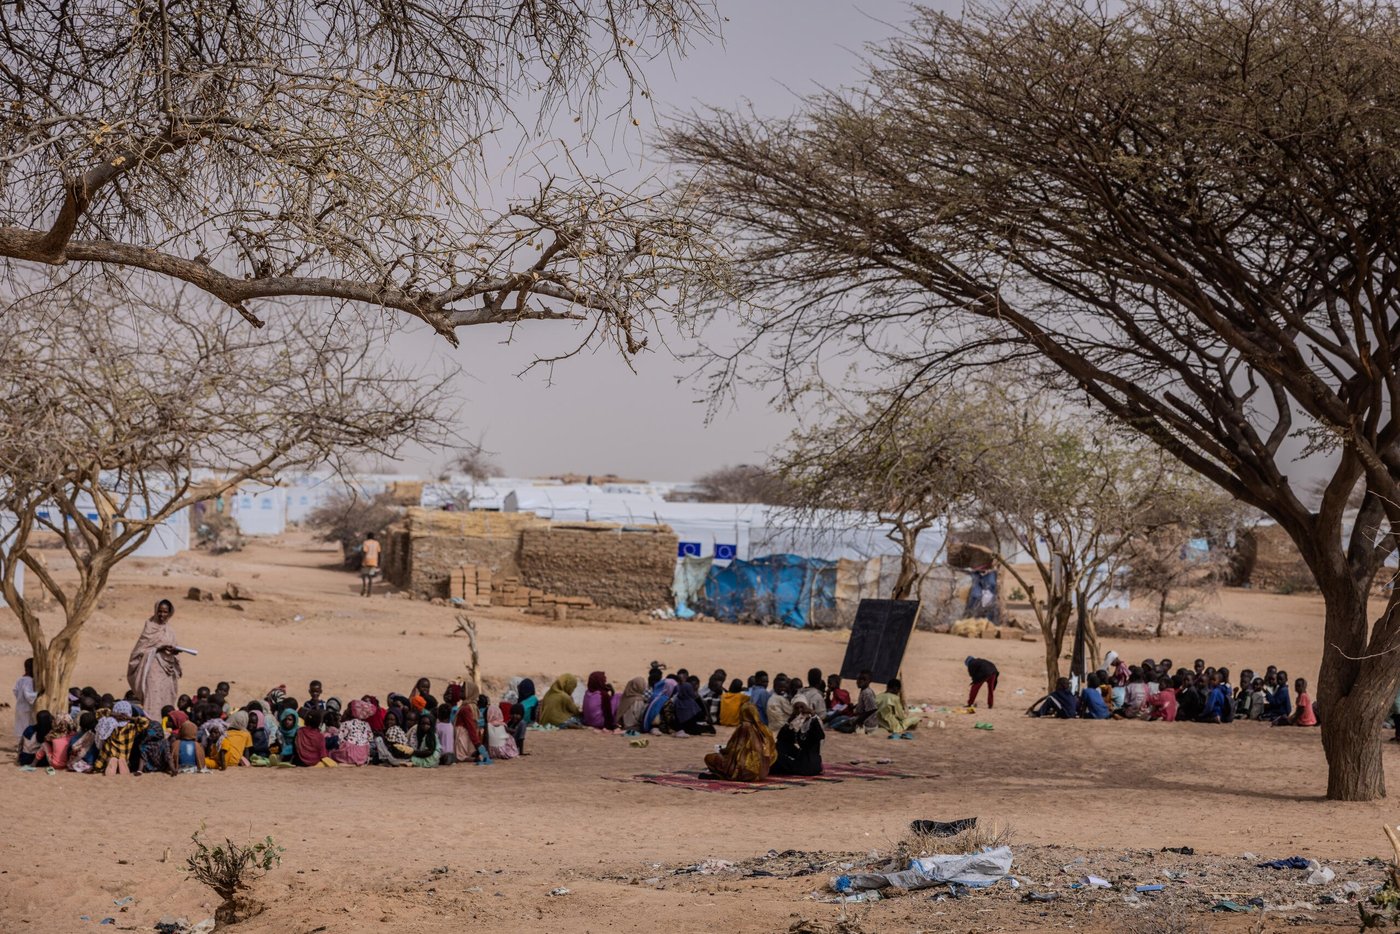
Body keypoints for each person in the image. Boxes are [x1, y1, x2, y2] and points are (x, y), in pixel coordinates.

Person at [127, 600, 182, 719]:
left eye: (165, 612)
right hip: (152, 668)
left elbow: (173, 646)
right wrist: (158, 649)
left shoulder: (170, 630)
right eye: (160, 611)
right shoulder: (149, 627)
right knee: (153, 697)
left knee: (166, 697)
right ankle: (151, 726)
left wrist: (174, 652)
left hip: (167, 671)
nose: (162, 614)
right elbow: (139, 651)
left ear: (170, 613)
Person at [703, 700, 777, 782]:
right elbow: (772, 750)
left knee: (710, 758)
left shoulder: (744, 727)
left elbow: (733, 748)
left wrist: (723, 751)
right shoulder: (764, 728)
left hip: (747, 773)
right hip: (763, 772)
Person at [771, 700, 825, 776]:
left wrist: (813, 715)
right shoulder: (796, 723)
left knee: (779, 760)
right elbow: (782, 738)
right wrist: (790, 719)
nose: (800, 710)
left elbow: (820, 736)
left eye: (802, 707)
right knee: (779, 747)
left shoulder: (814, 722)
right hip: (802, 758)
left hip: (808, 765)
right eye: (796, 708)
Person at [12, 658, 37, 741]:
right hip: (27, 709)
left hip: (20, 707)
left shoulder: (20, 679)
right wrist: (39, 694)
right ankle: (24, 747)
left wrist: (20, 698)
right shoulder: (29, 681)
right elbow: (29, 695)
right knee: (26, 728)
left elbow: (15, 690)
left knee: (20, 727)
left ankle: (21, 746)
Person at [360, 531, 381, 597]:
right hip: (374, 561)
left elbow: (364, 552)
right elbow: (379, 553)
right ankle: (369, 592)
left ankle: (364, 587)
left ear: (367, 537)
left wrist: (362, 561)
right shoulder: (377, 543)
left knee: (363, 575)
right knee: (370, 577)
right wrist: (378, 562)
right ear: (373, 537)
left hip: (367, 560)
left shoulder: (365, 542)